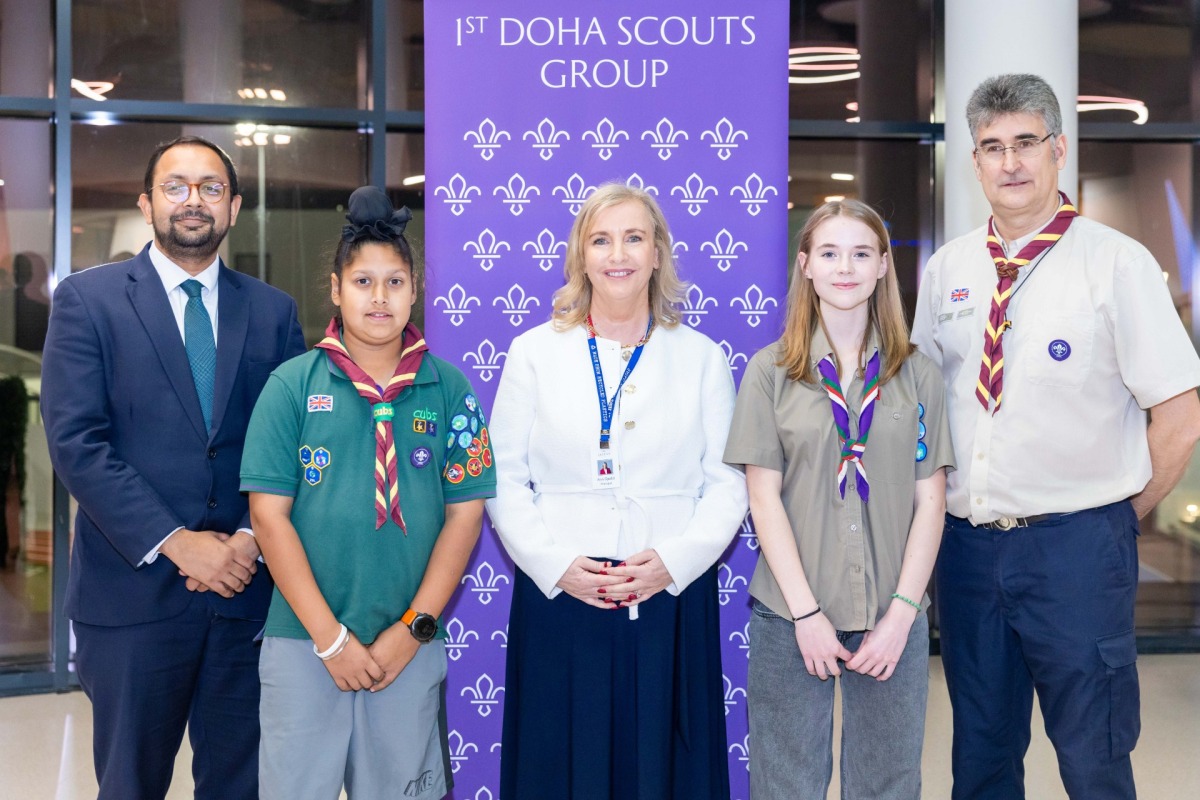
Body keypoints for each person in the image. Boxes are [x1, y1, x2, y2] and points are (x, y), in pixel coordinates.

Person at [912, 73, 1200, 799]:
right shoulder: (947, 270)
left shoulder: (1116, 263)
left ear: (1058, 150)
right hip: (969, 552)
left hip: (1077, 550)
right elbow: (919, 406)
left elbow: (1180, 413)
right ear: (973, 161)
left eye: (1026, 144)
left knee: (1093, 753)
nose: (1010, 162)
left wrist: (1118, 516)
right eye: (992, 147)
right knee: (979, 751)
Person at [40, 135, 306, 799]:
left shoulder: (273, 311)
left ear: (235, 206)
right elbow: (77, 441)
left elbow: (297, 440)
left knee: (241, 784)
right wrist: (179, 544)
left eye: (211, 187)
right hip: (133, 598)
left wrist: (248, 538)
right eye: (177, 186)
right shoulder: (87, 300)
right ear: (147, 201)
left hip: (246, 595)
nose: (194, 200)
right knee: (131, 784)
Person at [485, 182, 748, 799]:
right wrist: (557, 566)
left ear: (658, 252)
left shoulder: (702, 357)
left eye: (634, 237)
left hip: (667, 599)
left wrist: (672, 563)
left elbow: (728, 482)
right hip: (563, 597)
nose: (618, 254)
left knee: (663, 770)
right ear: (581, 255)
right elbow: (500, 475)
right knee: (560, 767)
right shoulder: (533, 353)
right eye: (601, 239)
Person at [240, 185, 493, 800]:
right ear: (335, 289)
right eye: (363, 282)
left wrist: (415, 627)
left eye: (395, 282)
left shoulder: (449, 389)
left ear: (415, 291)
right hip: (305, 641)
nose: (380, 298)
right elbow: (269, 519)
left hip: (408, 642)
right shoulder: (291, 386)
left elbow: (466, 517)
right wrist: (330, 639)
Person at [724, 199, 952, 799]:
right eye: (828, 253)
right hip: (790, 616)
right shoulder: (769, 372)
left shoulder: (918, 374)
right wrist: (805, 616)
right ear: (805, 266)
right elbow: (762, 497)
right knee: (785, 784)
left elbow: (931, 500)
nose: (843, 267)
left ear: (883, 266)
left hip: (891, 618)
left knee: (888, 784)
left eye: (860, 253)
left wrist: (903, 615)